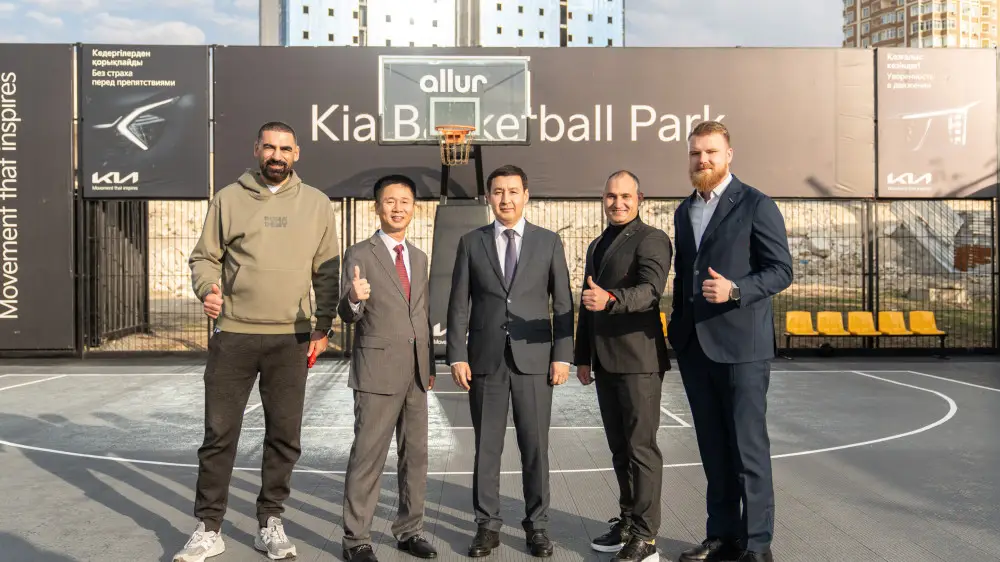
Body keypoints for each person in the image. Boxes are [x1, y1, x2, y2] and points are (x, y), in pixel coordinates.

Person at [175, 121, 340, 562]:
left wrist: (323, 326)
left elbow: (327, 270)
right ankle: (209, 527)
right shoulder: (228, 198)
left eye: (285, 148)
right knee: (219, 434)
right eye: (269, 147)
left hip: (292, 338)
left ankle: (270, 521)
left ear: (296, 153)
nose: (277, 155)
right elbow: (204, 257)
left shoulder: (317, 204)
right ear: (257, 149)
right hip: (234, 335)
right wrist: (208, 289)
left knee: (284, 436)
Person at [669, 121, 792, 562]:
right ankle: (722, 536)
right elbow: (685, 275)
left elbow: (781, 270)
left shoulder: (757, 204)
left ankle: (757, 545)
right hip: (696, 349)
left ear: (728, 155)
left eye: (711, 152)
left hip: (743, 349)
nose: (702, 160)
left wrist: (736, 290)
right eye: (695, 153)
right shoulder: (684, 211)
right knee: (713, 450)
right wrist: (677, 332)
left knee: (748, 451)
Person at [446, 164, 574, 558]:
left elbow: (563, 303)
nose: (506, 199)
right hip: (485, 361)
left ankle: (538, 526)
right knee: (487, 448)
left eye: (513, 191)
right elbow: (458, 304)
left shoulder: (549, 242)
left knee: (535, 448)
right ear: (489, 197)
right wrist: (457, 355)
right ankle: (487, 526)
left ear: (526, 195)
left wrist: (563, 355)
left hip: (535, 361)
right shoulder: (471, 243)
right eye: (498, 191)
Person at [574, 170, 673, 562]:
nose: (618, 203)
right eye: (611, 196)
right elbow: (588, 303)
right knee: (620, 449)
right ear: (604, 199)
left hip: (638, 360)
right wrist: (583, 356)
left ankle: (646, 537)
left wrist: (612, 299)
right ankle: (629, 521)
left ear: (640, 198)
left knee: (640, 449)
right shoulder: (598, 244)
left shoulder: (652, 239)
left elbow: (650, 291)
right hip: (605, 361)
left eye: (626, 196)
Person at [338, 174, 437, 562]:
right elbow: (348, 314)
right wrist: (354, 297)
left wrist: (428, 363)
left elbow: (421, 314)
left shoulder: (419, 257)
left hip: (416, 373)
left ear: (414, 208)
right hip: (377, 372)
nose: (398, 208)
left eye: (405, 202)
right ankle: (356, 540)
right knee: (368, 457)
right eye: (390, 201)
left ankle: (410, 530)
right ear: (377, 207)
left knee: (415, 457)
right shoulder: (360, 254)